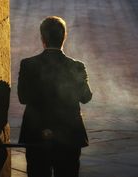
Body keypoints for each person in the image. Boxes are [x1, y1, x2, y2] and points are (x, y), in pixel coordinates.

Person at [18, 16, 92, 177]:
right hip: (69, 134)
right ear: (64, 37)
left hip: (36, 132)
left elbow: (23, 97)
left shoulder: (28, 64)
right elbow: (86, 97)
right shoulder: (76, 66)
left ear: (42, 38)